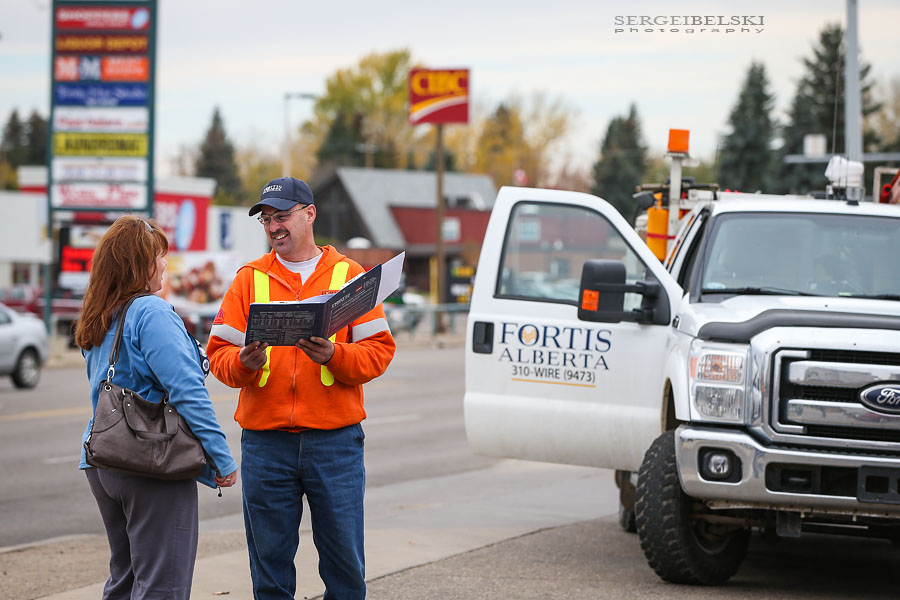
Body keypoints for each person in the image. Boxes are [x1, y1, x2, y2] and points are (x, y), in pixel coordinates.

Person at [207, 177, 396, 599]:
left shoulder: (349, 276)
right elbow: (218, 356)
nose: (274, 227)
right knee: (269, 571)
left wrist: (334, 356)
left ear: (309, 214)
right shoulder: (248, 279)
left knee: (345, 566)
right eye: (266, 220)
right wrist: (243, 364)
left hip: (335, 444)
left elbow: (379, 352)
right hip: (266, 444)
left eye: (282, 216)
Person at [75, 216, 238, 600]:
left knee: (126, 580)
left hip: (103, 459)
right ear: (140, 264)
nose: (165, 264)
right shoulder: (151, 311)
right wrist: (220, 456)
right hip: (150, 461)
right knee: (162, 586)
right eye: (159, 257)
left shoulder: (101, 313)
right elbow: (186, 391)